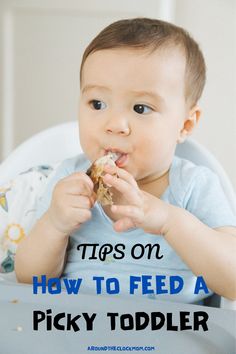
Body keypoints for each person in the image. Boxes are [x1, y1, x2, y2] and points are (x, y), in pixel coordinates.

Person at [15, 18, 236, 303]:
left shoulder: (195, 186)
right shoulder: (69, 178)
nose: (115, 124)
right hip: (76, 328)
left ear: (185, 124)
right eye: (97, 104)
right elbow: (30, 281)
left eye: (141, 108)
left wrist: (170, 222)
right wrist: (55, 225)